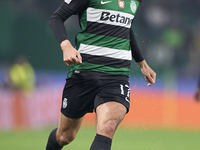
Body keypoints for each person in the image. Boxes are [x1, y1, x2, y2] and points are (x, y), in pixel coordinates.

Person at [45, 0, 156, 150]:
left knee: (107, 127)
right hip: (83, 73)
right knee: (65, 136)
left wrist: (142, 62)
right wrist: (66, 46)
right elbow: (57, 18)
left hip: (117, 75)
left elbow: (125, 27)